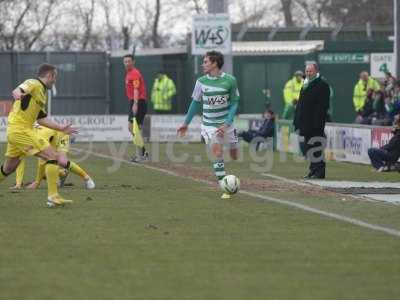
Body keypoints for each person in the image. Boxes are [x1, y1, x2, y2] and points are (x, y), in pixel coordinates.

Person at [0, 63, 77, 207]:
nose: (55, 80)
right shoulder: (34, 83)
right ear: (50, 75)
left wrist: (60, 127)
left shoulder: (42, 92)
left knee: (9, 167)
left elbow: (41, 119)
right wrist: (17, 93)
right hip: (21, 129)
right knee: (53, 156)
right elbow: (19, 89)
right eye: (55, 77)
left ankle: (53, 197)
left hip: (17, 130)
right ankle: (53, 197)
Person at [177, 51, 239, 199]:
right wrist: (186, 123)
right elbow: (195, 103)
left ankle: (231, 149)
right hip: (209, 125)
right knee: (217, 151)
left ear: (215, 63)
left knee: (234, 155)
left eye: (205, 62)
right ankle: (225, 187)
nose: (202, 64)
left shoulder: (230, 80)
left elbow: (235, 103)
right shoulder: (201, 82)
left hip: (226, 124)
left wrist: (227, 123)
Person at [11, 125, 95, 190]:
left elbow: (42, 160)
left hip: (61, 136)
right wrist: (18, 183)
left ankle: (87, 178)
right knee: (44, 172)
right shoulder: (19, 138)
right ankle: (62, 173)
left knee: (62, 161)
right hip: (50, 139)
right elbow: (19, 158)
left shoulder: (40, 134)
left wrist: (37, 183)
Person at [294, 63, 330, 179]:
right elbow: (301, 104)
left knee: (316, 147)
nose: (308, 73)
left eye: (310, 71)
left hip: (315, 124)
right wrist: (297, 120)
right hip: (305, 123)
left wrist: (317, 122)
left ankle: (319, 171)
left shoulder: (322, 85)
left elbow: (323, 106)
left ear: (316, 71)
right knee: (309, 148)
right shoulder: (305, 84)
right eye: (307, 71)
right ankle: (313, 170)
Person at [123, 54, 148, 162]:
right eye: (125, 61)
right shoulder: (129, 73)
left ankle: (141, 155)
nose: (127, 63)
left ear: (133, 62)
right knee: (133, 128)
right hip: (134, 101)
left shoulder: (135, 73)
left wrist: (135, 103)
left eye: (129, 61)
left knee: (134, 128)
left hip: (138, 101)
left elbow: (136, 89)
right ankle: (143, 153)